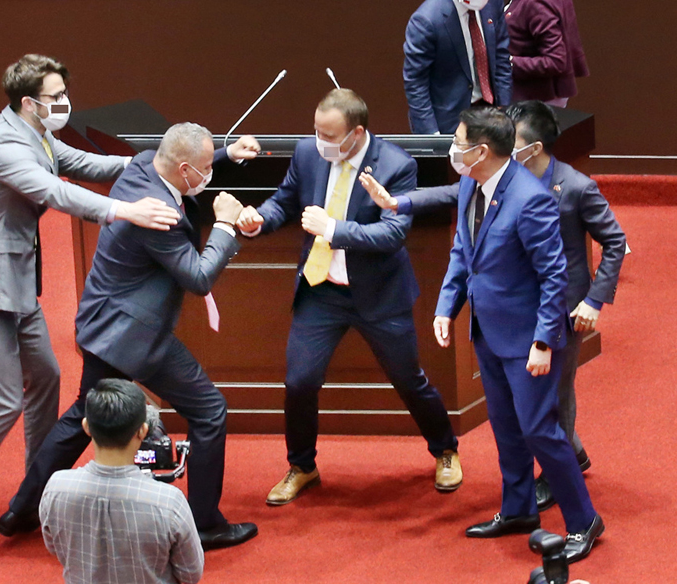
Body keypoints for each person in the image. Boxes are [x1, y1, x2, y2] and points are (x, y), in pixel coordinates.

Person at [0, 54, 183, 557]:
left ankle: (36, 489)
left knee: (46, 377)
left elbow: (82, 163)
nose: (65, 102)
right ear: (29, 102)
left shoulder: (36, 131)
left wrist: (151, 164)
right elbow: (55, 191)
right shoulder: (5, 146)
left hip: (19, 287)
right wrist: (123, 209)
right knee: (4, 401)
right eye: (56, 96)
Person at [0, 122, 259, 551]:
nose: (209, 174)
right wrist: (226, 227)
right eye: (206, 167)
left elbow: (184, 163)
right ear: (184, 169)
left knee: (84, 416)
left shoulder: (143, 164)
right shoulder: (160, 216)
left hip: (103, 320)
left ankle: (22, 508)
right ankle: (205, 525)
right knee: (210, 411)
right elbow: (198, 278)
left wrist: (227, 155)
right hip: (133, 335)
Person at [361, 101, 626, 512]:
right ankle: (525, 502)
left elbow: (584, 258)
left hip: (554, 314)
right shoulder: (482, 184)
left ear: (528, 148)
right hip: (498, 321)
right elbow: (460, 230)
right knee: (512, 421)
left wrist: (584, 307)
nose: (453, 148)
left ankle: (573, 504)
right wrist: (399, 204)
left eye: (459, 141)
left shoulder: (558, 190)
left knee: (548, 412)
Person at [236, 89, 462, 507]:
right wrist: (257, 220)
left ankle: (445, 449)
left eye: (329, 135)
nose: (319, 141)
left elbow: (392, 233)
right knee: (299, 382)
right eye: (316, 131)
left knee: (408, 379)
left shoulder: (396, 165)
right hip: (321, 289)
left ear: (356, 133)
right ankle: (302, 466)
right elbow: (284, 202)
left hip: (379, 295)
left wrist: (333, 229)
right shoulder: (307, 153)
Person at [432, 107, 602, 563]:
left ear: (481, 151)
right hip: (488, 332)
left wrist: (544, 341)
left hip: (529, 341)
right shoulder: (471, 184)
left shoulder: (531, 198)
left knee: (539, 430)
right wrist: (447, 306)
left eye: (459, 142)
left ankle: (584, 520)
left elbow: (554, 276)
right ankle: (519, 509)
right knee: (506, 427)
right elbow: (463, 250)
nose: (453, 150)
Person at [505, 100, 625, 508]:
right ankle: (572, 452)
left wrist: (594, 299)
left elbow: (615, 242)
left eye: (511, 142)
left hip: (564, 308)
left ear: (535, 147)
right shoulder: (506, 180)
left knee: (556, 393)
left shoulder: (575, 187)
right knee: (525, 392)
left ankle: (559, 475)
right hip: (520, 303)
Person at [40, 379, 203, 584]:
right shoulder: (169, 502)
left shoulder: (56, 488)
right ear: (142, 431)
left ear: (87, 427)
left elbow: (54, 547)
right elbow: (191, 574)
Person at [403, 0, 513, 134]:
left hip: (490, 113)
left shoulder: (492, 4)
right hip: (449, 120)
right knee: (458, 150)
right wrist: (431, 134)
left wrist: (503, 109)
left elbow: (501, 57)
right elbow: (416, 83)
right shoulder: (426, 20)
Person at [505, 0, 590, 106]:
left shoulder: (536, 5)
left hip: (535, 101)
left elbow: (555, 61)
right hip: (529, 95)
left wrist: (507, 62)